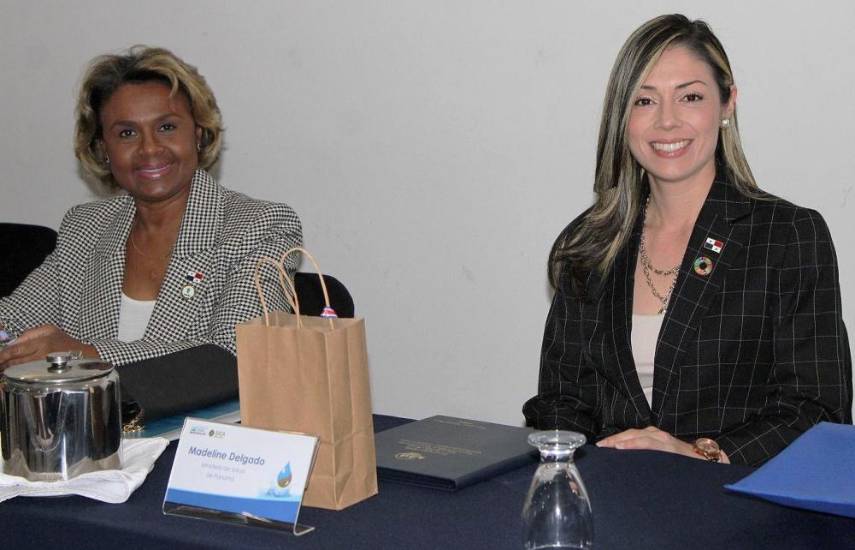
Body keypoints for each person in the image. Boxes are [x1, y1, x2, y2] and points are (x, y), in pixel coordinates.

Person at [522, 14, 852, 466]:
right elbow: (560, 399)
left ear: (727, 103)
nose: (667, 121)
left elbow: (816, 411)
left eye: (690, 97)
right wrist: (588, 465)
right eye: (644, 100)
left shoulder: (788, 236)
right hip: (608, 495)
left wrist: (698, 454)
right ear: (622, 117)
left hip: (733, 498)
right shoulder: (588, 242)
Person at [0, 46, 302, 420]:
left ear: (199, 134)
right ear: (103, 149)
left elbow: (235, 355)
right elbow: (12, 321)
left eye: (167, 127)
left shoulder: (258, 225)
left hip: (203, 444)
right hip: (89, 438)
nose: (149, 149)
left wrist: (85, 356)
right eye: (127, 133)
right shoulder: (86, 227)